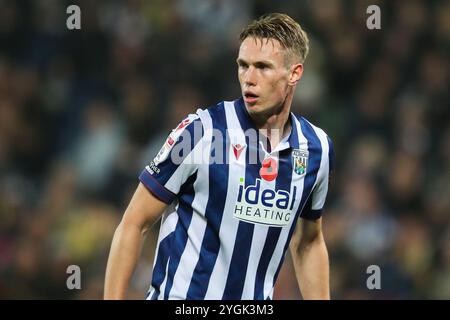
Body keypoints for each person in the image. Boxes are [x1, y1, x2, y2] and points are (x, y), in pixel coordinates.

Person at [104, 13, 333, 300]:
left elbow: (309, 242)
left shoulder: (316, 149)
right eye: (243, 65)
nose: (249, 79)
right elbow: (133, 223)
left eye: (263, 67)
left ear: (294, 73)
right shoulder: (201, 131)